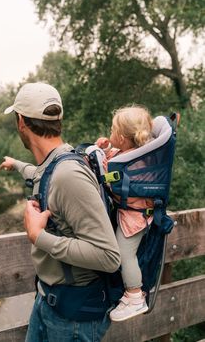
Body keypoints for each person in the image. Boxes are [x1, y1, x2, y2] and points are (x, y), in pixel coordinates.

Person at [0, 82, 121, 342]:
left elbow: (109, 256)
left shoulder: (68, 175)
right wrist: (17, 164)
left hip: (73, 320)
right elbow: (39, 174)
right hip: (48, 303)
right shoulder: (55, 161)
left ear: (21, 122)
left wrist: (38, 236)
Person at [96, 105, 154, 322]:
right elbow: (115, 156)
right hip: (134, 212)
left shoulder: (130, 162)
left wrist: (99, 156)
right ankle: (132, 294)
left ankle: (134, 295)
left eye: (112, 131)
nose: (109, 134)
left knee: (124, 255)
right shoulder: (134, 154)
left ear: (120, 137)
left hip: (134, 218)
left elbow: (109, 176)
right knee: (124, 254)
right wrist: (105, 148)